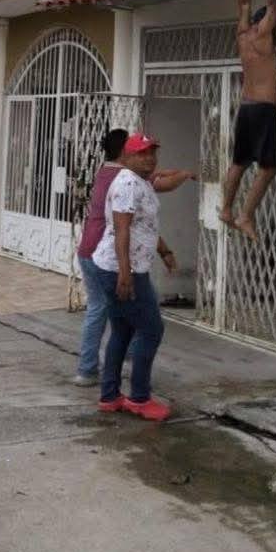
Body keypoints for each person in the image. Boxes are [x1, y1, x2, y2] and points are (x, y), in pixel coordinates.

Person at [73, 130, 195, 386]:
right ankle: (127, 376)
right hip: (113, 260)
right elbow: (127, 227)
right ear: (125, 154)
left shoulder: (106, 172)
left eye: (151, 153)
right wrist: (183, 175)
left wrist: (178, 173)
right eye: (141, 152)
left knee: (111, 317)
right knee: (143, 323)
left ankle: (97, 374)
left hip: (92, 251)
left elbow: (143, 221)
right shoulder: (127, 181)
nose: (149, 158)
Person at [220, 0, 276, 242]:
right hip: (263, 109)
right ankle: (245, 214)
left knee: (239, 162)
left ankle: (226, 209)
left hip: (245, 108)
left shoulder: (243, 34)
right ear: (267, 22)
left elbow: (244, 1)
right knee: (269, 168)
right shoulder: (264, 34)